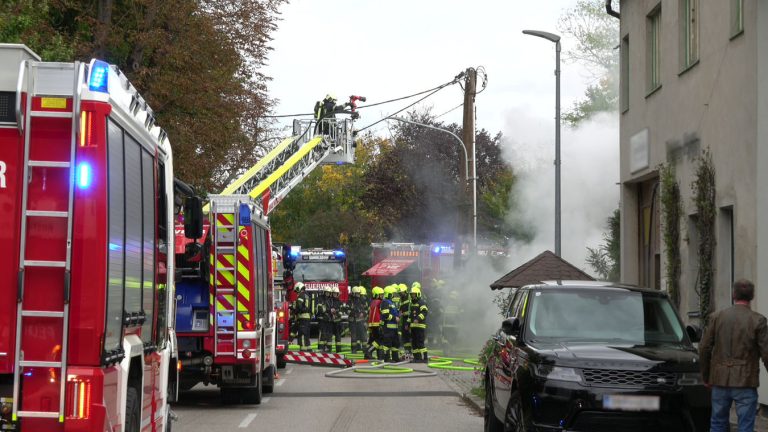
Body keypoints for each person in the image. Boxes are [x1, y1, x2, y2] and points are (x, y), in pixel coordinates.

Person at [699, 279, 768, 432]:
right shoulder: (758, 320)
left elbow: (704, 348)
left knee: (717, 423)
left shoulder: (717, 317)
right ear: (752, 296)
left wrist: (706, 376)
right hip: (746, 380)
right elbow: (766, 353)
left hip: (719, 379)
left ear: (733, 294)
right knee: (745, 426)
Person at [380, 286, 401, 362]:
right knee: (387, 344)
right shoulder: (385, 302)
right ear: (389, 294)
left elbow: (394, 312)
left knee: (395, 344)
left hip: (394, 328)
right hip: (388, 328)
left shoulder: (391, 302)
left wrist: (398, 315)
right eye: (392, 294)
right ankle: (387, 359)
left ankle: (395, 358)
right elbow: (385, 315)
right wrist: (395, 318)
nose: (394, 295)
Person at [409, 284, 429, 363]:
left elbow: (424, 312)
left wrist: (418, 318)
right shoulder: (412, 304)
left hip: (420, 326)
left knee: (420, 343)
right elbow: (410, 315)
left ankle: (425, 358)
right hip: (413, 327)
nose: (412, 296)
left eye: (414, 294)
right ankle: (417, 358)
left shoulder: (421, 302)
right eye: (411, 294)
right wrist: (408, 324)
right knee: (414, 344)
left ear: (417, 294)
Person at [365, 286, 384, 360]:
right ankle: (368, 351)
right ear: (376, 295)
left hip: (371, 324)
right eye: (381, 295)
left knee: (372, 340)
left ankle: (377, 356)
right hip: (377, 324)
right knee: (379, 340)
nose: (382, 296)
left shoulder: (372, 302)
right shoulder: (380, 302)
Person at [293, 282, 312, 352]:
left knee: (302, 334)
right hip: (307, 317)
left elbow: (299, 307)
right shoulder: (307, 295)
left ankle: (303, 350)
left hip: (302, 317)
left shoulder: (301, 296)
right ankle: (309, 348)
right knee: (307, 334)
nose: (296, 292)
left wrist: (295, 310)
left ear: (299, 288)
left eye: (297, 290)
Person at [316, 286, 332, 352]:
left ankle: (327, 347)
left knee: (328, 334)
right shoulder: (320, 299)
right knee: (321, 333)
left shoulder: (330, 300)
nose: (328, 294)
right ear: (324, 292)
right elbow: (320, 308)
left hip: (328, 319)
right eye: (327, 292)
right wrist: (328, 310)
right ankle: (320, 347)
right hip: (322, 319)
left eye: (329, 293)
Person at [329, 286, 344, 353]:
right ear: (332, 294)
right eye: (334, 293)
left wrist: (336, 312)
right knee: (329, 338)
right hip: (331, 323)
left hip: (338, 323)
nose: (335, 295)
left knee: (338, 338)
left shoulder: (339, 302)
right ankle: (329, 351)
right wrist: (330, 311)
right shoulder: (329, 301)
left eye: (336, 293)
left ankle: (338, 351)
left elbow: (341, 311)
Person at [399, 283, 412, 355]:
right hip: (404, 320)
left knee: (408, 335)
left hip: (408, 319)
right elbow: (401, 309)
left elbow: (411, 310)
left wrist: (403, 314)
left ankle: (411, 350)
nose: (400, 294)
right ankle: (407, 350)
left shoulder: (409, 298)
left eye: (401, 292)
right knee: (405, 335)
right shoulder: (402, 299)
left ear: (405, 291)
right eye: (399, 293)